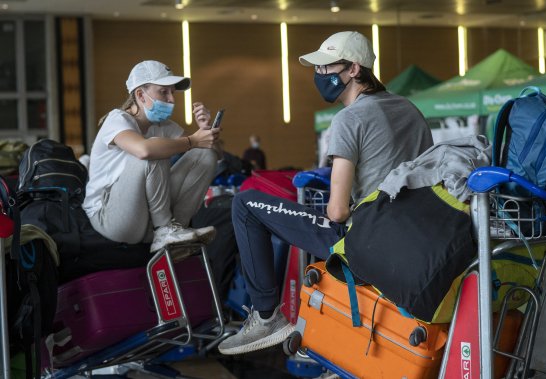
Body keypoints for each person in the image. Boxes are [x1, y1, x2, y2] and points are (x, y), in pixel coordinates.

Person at [218, 31, 434, 355]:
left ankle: (266, 317)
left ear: (354, 69)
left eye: (326, 68)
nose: (319, 76)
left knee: (245, 204)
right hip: (414, 237)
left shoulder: (349, 119)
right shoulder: (409, 109)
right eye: (317, 69)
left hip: (368, 242)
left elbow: (337, 213)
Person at [83, 60, 220, 253]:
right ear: (140, 95)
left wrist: (205, 133)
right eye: (163, 92)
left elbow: (210, 154)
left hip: (145, 219)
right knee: (153, 149)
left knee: (204, 156)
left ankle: (175, 232)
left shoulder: (164, 127)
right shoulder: (117, 119)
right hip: (110, 217)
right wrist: (192, 140)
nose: (172, 99)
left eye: (172, 92)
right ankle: (165, 230)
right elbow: (144, 150)